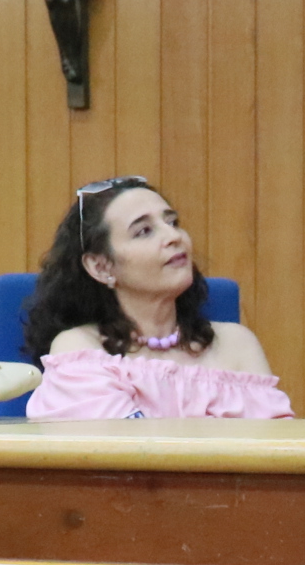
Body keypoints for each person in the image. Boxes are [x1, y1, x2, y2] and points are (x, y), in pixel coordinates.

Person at [21, 176, 290, 419]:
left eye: (173, 223)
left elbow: (274, 450)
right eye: (144, 231)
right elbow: (125, 451)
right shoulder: (80, 348)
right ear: (101, 267)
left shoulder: (236, 343)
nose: (173, 236)